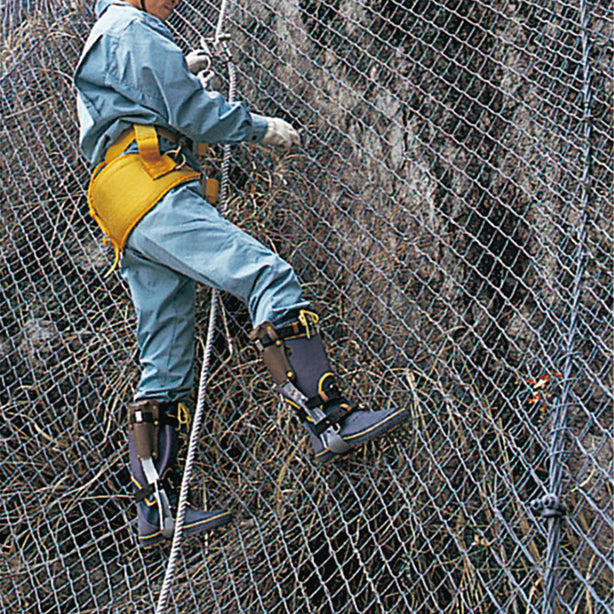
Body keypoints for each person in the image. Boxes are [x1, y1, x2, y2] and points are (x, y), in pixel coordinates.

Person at [75, 0, 409, 548]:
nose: (175, 1)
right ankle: (329, 421)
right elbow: (193, 113)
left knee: (165, 354)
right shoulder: (130, 27)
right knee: (266, 276)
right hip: (153, 189)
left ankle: (156, 511)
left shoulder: (108, 33)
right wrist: (261, 129)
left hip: (121, 202)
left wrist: (178, 67)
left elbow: (141, 102)